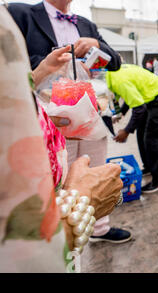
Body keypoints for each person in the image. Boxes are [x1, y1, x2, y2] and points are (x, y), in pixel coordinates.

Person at [0, 5, 122, 272]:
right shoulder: (21, 14)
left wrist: (96, 45)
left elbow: (115, 62)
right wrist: (48, 64)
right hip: (49, 120)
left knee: (94, 169)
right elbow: (15, 66)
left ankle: (99, 227)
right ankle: (59, 236)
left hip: (91, 116)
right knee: (55, 181)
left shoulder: (87, 24)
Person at [106, 64, 158, 194]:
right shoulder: (115, 72)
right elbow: (131, 95)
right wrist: (121, 113)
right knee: (141, 134)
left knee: (153, 141)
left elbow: (139, 109)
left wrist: (126, 131)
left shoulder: (117, 81)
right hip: (152, 99)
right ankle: (150, 167)